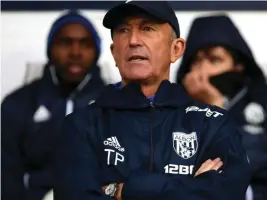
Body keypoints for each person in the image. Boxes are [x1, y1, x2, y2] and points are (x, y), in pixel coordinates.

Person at [54, 2, 251, 200]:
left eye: (147, 28)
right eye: (123, 30)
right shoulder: (81, 126)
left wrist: (128, 190)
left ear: (176, 49)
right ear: (115, 53)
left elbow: (228, 193)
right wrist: (192, 188)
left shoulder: (213, 123)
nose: (133, 40)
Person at [1, 10, 106, 200]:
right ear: (50, 49)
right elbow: (6, 176)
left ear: (96, 51)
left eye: (85, 44)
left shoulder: (115, 105)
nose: (75, 52)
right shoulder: (17, 104)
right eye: (65, 43)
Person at [176, 14, 267, 200]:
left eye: (214, 59)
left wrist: (215, 108)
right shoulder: (174, 108)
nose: (203, 70)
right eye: (196, 61)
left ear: (238, 66)